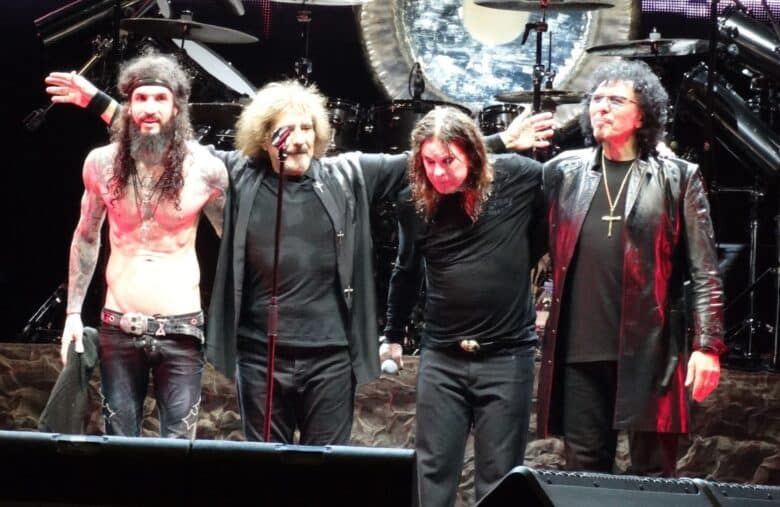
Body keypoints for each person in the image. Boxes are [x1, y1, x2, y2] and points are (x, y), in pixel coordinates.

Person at [46, 71, 553, 446]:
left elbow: (421, 162)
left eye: (309, 128)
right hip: (259, 356)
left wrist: (497, 142)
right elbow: (166, 140)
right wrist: (99, 102)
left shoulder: (349, 174)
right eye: (289, 129)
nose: (302, 138)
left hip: (331, 358)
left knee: (325, 472)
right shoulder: (237, 173)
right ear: (265, 136)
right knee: (265, 474)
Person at [536, 59, 727, 476]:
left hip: (650, 351)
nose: (601, 107)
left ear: (643, 116)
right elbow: (529, 244)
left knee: (653, 476)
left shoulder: (678, 176)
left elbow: (705, 271)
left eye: (616, 100)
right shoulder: (564, 172)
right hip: (580, 349)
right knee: (583, 476)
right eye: (596, 98)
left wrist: (708, 345)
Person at [381, 107, 547, 506]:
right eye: (429, 162)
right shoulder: (413, 202)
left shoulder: (519, 177)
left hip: (506, 356)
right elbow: (406, 270)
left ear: (472, 154)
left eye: (449, 160)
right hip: (443, 357)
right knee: (432, 472)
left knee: (500, 478)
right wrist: (392, 333)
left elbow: (544, 235)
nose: (439, 172)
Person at [57, 52, 228, 438]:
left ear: (177, 107)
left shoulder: (205, 170)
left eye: (160, 98)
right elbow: (86, 236)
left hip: (182, 330)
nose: (150, 108)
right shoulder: (100, 164)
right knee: (119, 444)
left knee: (180, 449)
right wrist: (72, 314)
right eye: (141, 98)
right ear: (129, 105)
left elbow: (234, 245)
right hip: (118, 326)